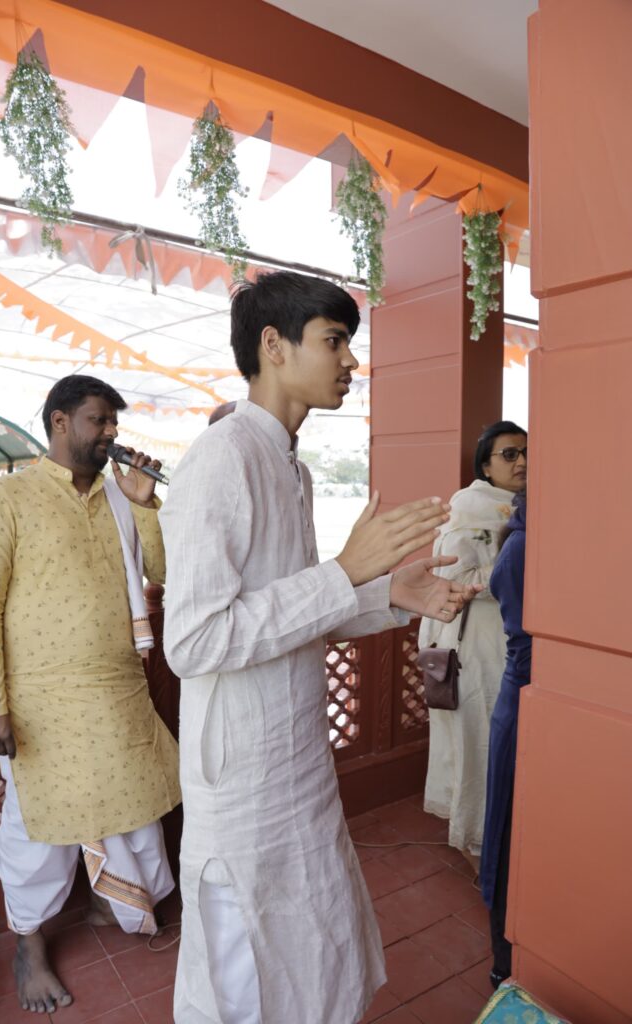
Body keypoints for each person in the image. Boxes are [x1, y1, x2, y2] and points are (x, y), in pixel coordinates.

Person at [159, 271, 481, 1024]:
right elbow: (195, 640)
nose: (350, 361)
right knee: (245, 967)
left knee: (311, 942)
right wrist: (344, 572)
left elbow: (291, 613)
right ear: (273, 346)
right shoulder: (221, 459)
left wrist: (389, 593)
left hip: (296, 758)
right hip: (242, 777)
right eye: (334, 341)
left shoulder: (291, 468)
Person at [0, 375, 181, 1015]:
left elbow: (164, 572)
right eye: (98, 420)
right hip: (39, 705)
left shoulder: (120, 497)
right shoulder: (9, 498)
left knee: (134, 809)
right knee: (39, 831)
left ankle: (117, 905)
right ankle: (28, 947)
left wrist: (145, 504)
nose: (110, 432)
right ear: (60, 421)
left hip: (117, 693)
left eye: (113, 421)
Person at [418, 421, 527, 869]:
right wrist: (514, 572)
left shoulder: (523, 507)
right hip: (473, 646)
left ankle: (492, 840)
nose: (522, 462)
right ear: (485, 464)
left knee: (493, 745)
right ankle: (475, 846)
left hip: (503, 642)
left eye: (527, 453)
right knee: (475, 745)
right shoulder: (469, 508)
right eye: (509, 454)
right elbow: (454, 577)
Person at [481, 490, 530, 989]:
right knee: (508, 833)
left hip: (540, 700)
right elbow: (526, 645)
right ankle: (503, 962)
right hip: (523, 705)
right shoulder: (520, 546)